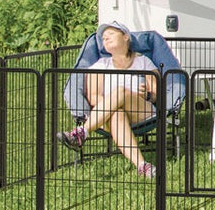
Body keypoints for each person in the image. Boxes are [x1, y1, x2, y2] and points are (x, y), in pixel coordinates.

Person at [56, 21, 161, 179]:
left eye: (110, 34)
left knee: (120, 91)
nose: (106, 38)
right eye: (103, 38)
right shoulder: (100, 65)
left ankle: (82, 132)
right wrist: (114, 104)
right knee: (117, 113)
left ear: (126, 37)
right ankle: (142, 165)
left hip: (141, 110)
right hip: (108, 114)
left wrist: (147, 94)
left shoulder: (143, 61)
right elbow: (93, 97)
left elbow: (156, 93)